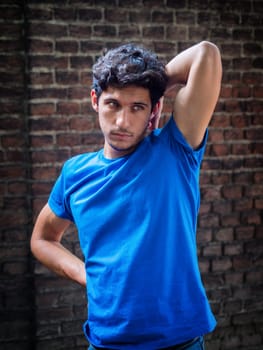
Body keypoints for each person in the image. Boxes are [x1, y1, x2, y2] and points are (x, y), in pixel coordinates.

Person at [31, 41, 222, 350]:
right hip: (106, 342)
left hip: (179, 342)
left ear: (154, 109)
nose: (122, 122)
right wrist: (85, 275)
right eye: (113, 104)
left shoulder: (174, 150)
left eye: (137, 108)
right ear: (95, 100)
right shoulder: (75, 173)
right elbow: (42, 239)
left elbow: (205, 54)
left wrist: (155, 86)